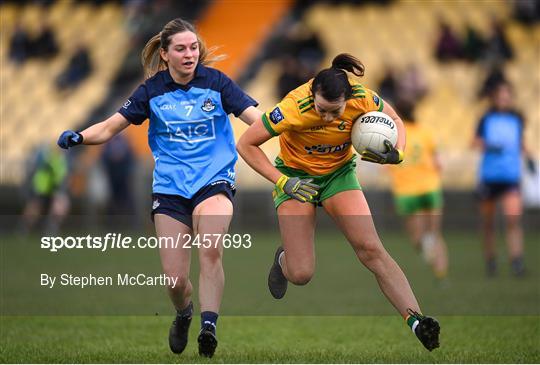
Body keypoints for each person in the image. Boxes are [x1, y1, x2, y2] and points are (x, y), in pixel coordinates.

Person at [57, 18, 261, 358]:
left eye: (193, 47)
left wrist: (286, 128)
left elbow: (258, 119)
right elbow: (109, 128)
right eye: (180, 49)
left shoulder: (218, 83)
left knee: (210, 249)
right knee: (175, 283)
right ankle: (184, 313)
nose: (189, 54)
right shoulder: (151, 91)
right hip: (169, 192)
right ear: (164, 55)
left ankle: (208, 327)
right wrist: (80, 136)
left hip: (215, 182)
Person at [237, 53, 440, 351]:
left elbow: (396, 119)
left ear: (348, 98)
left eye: (335, 111)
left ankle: (416, 321)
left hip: (338, 175)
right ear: (312, 96)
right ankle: (284, 261)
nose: (328, 117)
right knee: (302, 273)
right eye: (322, 110)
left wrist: (398, 152)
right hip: (296, 179)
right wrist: (283, 181)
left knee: (371, 249)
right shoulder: (293, 106)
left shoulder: (363, 98)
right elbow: (246, 144)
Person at [473, 81, 534, 277]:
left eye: (507, 95)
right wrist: (489, 145)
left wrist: (529, 157)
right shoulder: (486, 119)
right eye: (500, 95)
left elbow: (520, 142)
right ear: (494, 98)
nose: (504, 99)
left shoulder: (517, 119)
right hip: (490, 176)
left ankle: (516, 261)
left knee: (513, 218)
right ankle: (491, 260)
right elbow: (474, 142)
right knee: (488, 222)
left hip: (510, 176)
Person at [385, 100, 448, 281]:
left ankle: (427, 250)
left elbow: (386, 163)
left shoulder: (394, 134)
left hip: (406, 191)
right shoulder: (425, 132)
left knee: (416, 238)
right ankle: (441, 274)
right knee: (435, 234)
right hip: (430, 187)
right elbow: (438, 163)